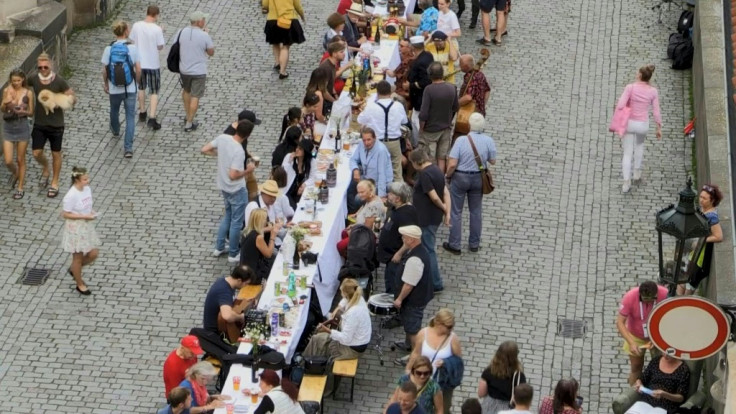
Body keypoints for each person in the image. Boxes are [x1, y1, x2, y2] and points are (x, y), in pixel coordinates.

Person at [201, 121, 254, 263]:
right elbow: (233, 174)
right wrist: (248, 170)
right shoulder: (238, 151)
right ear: (248, 135)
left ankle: (219, 247)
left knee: (228, 215)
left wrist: (219, 155)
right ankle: (233, 253)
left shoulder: (223, 138)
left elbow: (204, 149)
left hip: (223, 186)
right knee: (236, 222)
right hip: (236, 188)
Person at [443, 113, 496, 254]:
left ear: (469, 125)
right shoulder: (488, 140)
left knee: (456, 211)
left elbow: (452, 163)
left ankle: (455, 244)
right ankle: (474, 243)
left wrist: (448, 176)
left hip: (460, 177)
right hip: (478, 178)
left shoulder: (461, 141)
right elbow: (492, 161)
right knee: (476, 211)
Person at [29, 53, 75, 198]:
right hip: (39, 123)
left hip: (56, 124)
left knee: (56, 153)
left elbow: (72, 97)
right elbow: (21, 85)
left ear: (51, 65)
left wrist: (62, 102)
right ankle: (45, 166)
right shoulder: (34, 79)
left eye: (45, 66)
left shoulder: (59, 81)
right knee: (36, 153)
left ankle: (55, 182)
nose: (42, 69)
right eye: (40, 67)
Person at [615, 65, 662, 193]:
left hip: (629, 123)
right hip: (642, 124)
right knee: (639, 145)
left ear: (640, 75)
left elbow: (620, 105)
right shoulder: (653, 91)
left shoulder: (630, 88)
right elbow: (656, 111)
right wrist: (658, 127)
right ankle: (637, 172)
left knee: (627, 153)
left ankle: (626, 182)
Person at [405, 309, 462, 414]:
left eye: (452, 326)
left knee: (443, 409)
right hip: (422, 379)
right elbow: (416, 353)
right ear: (438, 323)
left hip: (442, 383)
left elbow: (459, 362)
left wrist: (446, 362)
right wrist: (408, 369)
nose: (451, 329)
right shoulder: (423, 333)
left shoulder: (453, 339)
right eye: (448, 326)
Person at [410, 149, 450, 292]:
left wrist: (444, 208)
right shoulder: (437, 170)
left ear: (415, 162)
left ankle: (435, 283)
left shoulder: (425, 174)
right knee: (427, 248)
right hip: (434, 217)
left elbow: (434, 196)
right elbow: (446, 192)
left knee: (428, 250)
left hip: (426, 218)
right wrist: (447, 212)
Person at [304, 278, 372, 360]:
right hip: (355, 342)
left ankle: (309, 363)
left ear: (345, 293)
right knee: (317, 338)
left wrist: (327, 330)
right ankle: (307, 359)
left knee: (318, 342)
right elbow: (344, 300)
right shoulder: (358, 297)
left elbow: (345, 339)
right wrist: (337, 309)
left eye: (342, 292)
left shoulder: (353, 313)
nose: (341, 294)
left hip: (352, 348)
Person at [101, 20, 141, 158]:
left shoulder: (109, 49)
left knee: (114, 111)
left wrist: (106, 84)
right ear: (126, 32)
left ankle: (116, 129)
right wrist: (137, 82)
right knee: (130, 117)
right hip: (130, 88)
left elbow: (105, 70)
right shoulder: (133, 48)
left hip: (114, 89)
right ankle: (128, 148)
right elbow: (138, 69)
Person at [616, 280, 668, 385]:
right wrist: (631, 343)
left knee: (662, 366)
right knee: (636, 366)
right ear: (640, 294)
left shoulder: (665, 294)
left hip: (657, 335)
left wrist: (660, 339)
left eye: (651, 299)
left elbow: (671, 318)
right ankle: (633, 395)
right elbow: (620, 323)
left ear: (656, 294)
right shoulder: (630, 297)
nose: (647, 302)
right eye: (644, 299)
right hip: (636, 335)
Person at [393, 225, 434, 354]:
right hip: (418, 297)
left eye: (404, 237)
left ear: (411, 240)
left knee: (413, 329)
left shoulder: (415, 259)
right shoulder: (418, 249)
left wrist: (399, 299)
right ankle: (407, 345)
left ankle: (415, 355)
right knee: (409, 324)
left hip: (413, 300)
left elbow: (409, 284)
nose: (402, 239)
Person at [358, 80, 408, 182]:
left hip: (377, 143)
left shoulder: (371, 106)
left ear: (377, 93)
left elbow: (360, 120)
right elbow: (404, 121)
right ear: (390, 92)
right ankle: (399, 194)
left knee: (375, 171)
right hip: (394, 142)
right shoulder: (398, 106)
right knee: (396, 173)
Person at [679, 183, 724, 295]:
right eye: (700, 196)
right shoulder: (702, 209)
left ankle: (683, 305)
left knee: (690, 284)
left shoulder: (712, 216)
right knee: (682, 280)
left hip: (700, 257)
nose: (701, 200)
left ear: (712, 200)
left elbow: (718, 236)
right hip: (692, 253)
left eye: (704, 198)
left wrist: (701, 241)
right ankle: (676, 302)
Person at [61, 166, 100, 295]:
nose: (87, 181)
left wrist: (91, 212)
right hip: (76, 228)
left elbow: (87, 205)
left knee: (93, 253)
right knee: (77, 258)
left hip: (86, 226)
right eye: (84, 179)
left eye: (87, 178)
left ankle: (74, 269)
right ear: (77, 180)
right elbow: (65, 214)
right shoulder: (71, 195)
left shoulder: (87, 189)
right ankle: (79, 283)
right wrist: (84, 216)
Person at [176, 11, 214, 132]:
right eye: (203, 19)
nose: (205, 21)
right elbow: (211, 52)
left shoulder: (181, 32)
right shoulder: (204, 36)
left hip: (184, 69)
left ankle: (188, 115)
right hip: (198, 71)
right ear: (199, 22)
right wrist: (206, 35)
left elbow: (175, 46)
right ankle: (189, 122)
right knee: (195, 96)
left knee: (186, 91)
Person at [378, 182, 418, 296]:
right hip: (389, 256)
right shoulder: (397, 208)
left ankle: (393, 308)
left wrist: (399, 254)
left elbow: (409, 238)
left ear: (398, 198)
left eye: (391, 193)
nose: (388, 195)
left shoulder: (407, 214)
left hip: (395, 258)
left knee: (393, 286)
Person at [129, 5, 165, 130]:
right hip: (153, 63)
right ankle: (152, 117)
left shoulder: (137, 25)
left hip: (139, 62)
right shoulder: (157, 29)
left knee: (141, 87)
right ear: (156, 15)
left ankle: (142, 111)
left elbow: (132, 41)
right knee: (154, 90)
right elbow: (160, 46)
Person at [418, 62, 458, 173]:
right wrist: (449, 120)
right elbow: (455, 107)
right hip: (445, 128)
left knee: (430, 157)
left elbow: (424, 113)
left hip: (430, 130)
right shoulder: (452, 88)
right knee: (442, 157)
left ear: (430, 75)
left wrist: (421, 128)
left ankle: (431, 179)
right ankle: (440, 180)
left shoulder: (429, 90)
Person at [2, 68, 33, 199]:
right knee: (8, 160)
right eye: (14, 80)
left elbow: (31, 112)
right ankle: (16, 173)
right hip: (8, 127)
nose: (16, 83)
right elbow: (2, 109)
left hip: (22, 126)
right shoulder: (6, 91)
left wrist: (23, 112)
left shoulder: (28, 93)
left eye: (18, 80)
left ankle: (20, 187)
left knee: (20, 159)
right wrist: (6, 102)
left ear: (23, 80)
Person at [348, 127, 393, 212]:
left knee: (358, 198)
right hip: (366, 178)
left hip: (377, 184)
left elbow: (382, 175)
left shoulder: (381, 150)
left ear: (374, 138)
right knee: (349, 188)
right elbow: (353, 159)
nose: (366, 143)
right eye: (364, 140)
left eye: (369, 140)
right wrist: (355, 169)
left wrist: (380, 197)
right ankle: (353, 213)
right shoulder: (361, 144)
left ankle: (360, 214)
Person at [337, 180, 387, 256]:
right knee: (344, 232)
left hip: (368, 236)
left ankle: (353, 260)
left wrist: (353, 231)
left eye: (362, 192)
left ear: (370, 190)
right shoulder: (370, 199)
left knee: (340, 246)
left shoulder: (373, 206)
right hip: (361, 228)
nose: (360, 195)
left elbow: (367, 229)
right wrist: (354, 225)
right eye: (358, 192)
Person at [202, 265, 255, 336]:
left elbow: (230, 302)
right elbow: (227, 316)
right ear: (239, 280)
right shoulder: (224, 291)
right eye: (246, 283)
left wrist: (246, 302)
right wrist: (241, 317)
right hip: (216, 333)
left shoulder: (225, 281)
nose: (246, 286)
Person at [477, 341, 527, 413]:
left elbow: (481, 393)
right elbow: (521, 398)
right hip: (508, 408)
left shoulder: (488, 371)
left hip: (489, 406)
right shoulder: (519, 376)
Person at [224, 109, 262, 201]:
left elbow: (242, 147)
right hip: (238, 173)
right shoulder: (229, 136)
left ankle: (250, 210)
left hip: (246, 168)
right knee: (240, 199)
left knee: (253, 192)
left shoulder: (243, 130)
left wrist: (249, 155)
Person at [262, 0, 306, 79]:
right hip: (288, 20)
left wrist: (267, 8)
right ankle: (282, 71)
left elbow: (265, 4)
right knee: (285, 46)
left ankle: (277, 62)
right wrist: (302, 15)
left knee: (275, 42)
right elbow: (297, 5)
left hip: (272, 19)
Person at [407, 37, 435, 147]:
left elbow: (425, 81)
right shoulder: (428, 55)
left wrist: (411, 85)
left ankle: (418, 144)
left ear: (413, 47)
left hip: (419, 98)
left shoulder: (421, 62)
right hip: (420, 97)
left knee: (416, 123)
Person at [240, 209, 281, 281]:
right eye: (265, 219)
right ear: (260, 221)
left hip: (245, 270)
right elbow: (268, 254)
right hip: (253, 274)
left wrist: (270, 227)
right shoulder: (258, 238)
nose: (267, 221)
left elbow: (261, 230)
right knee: (277, 265)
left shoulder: (246, 231)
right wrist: (273, 236)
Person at [282, 139, 318, 209]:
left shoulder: (312, 162)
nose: (297, 150)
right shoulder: (289, 157)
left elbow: (313, 177)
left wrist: (304, 185)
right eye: (297, 147)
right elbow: (282, 173)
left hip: (301, 191)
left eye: (300, 149)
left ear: (305, 152)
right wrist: (289, 162)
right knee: (293, 208)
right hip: (288, 190)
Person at [385, 38, 415, 106]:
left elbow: (392, 74)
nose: (399, 48)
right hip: (400, 86)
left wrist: (385, 70)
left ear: (409, 48)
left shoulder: (407, 61)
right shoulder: (409, 57)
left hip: (404, 91)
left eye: (402, 46)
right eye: (399, 45)